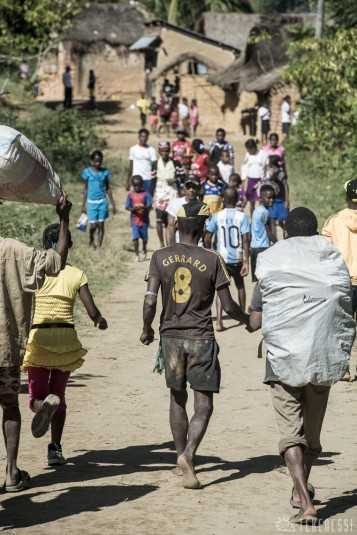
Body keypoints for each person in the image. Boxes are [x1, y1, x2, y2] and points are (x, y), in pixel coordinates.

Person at [249, 207, 355, 526]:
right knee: (312, 436)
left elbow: (254, 321)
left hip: (284, 358)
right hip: (323, 356)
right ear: (314, 233)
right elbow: (344, 303)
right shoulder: (332, 262)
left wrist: (250, 319)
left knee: (290, 434)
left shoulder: (275, 261)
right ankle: (300, 491)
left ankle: (305, 502)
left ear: (285, 231)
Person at [140, 200, 250, 489]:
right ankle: (189, 454)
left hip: (171, 338)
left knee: (177, 397)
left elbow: (150, 298)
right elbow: (227, 306)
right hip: (201, 338)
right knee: (204, 404)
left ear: (176, 225)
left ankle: (180, 458)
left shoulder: (160, 256)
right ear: (203, 228)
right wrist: (248, 320)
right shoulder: (212, 259)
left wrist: (146, 328)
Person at [0, 192, 72, 492]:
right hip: (6, 351)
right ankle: (11, 473)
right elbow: (56, 261)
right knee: (9, 406)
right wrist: (64, 217)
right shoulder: (13, 250)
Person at [23, 225, 108, 465]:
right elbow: (92, 312)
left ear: (43, 245)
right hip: (66, 338)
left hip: (39, 338)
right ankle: (55, 449)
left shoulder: (36, 273)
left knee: (35, 397)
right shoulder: (77, 274)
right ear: (67, 246)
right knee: (58, 395)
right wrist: (100, 321)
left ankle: (42, 406)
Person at [322, 179, 357, 380]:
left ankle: (343, 369)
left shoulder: (334, 221)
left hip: (343, 283)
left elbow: (326, 253)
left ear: (346, 197)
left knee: (342, 327)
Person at [205, 187, 250, 331]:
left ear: (223, 199)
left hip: (221, 258)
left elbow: (207, 236)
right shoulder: (242, 217)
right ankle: (242, 317)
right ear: (237, 200)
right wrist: (246, 261)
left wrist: (210, 253)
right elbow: (246, 240)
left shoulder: (217, 216)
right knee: (240, 286)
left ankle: (218, 321)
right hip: (237, 258)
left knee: (221, 288)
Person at [81, 150, 117, 248]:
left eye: (100, 161)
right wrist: (83, 205)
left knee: (101, 224)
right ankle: (91, 238)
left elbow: (108, 188)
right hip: (91, 202)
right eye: (96, 161)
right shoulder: (87, 172)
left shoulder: (105, 172)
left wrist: (113, 205)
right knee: (93, 226)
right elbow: (85, 189)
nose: (98, 163)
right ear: (92, 161)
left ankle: (99, 246)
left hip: (102, 202)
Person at [152, 141, 183, 248]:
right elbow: (153, 181)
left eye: (166, 151)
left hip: (172, 194)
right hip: (159, 194)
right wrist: (151, 196)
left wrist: (176, 180)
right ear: (159, 152)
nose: (165, 153)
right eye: (162, 151)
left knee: (172, 221)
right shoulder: (155, 164)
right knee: (159, 220)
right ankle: (162, 245)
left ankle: (171, 244)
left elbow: (183, 176)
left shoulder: (175, 163)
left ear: (169, 151)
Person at [250, 184, 276, 282]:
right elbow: (269, 232)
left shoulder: (257, 210)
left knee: (257, 280)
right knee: (265, 279)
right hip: (263, 248)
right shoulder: (265, 212)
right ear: (261, 197)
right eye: (268, 197)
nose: (271, 200)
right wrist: (278, 244)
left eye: (273, 197)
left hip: (254, 248)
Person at [166, 176, 201, 245]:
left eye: (194, 187)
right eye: (188, 187)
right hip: (179, 247)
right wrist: (169, 249)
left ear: (199, 188)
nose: (191, 190)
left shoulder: (203, 207)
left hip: (198, 248)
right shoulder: (175, 203)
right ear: (184, 188)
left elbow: (206, 232)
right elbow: (170, 228)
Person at [125, 175, 153, 262]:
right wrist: (133, 209)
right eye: (135, 186)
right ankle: (136, 254)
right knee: (135, 237)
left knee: (144, 238)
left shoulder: (146, 194)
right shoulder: (130, 195)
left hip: (144, 220)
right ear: (133, 185)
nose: (137, 187)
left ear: (142, 185)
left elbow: (150, 206)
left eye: (139, 185)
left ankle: (144, 249)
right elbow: (127, 207)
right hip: (134, 220)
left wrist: (144, 207)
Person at [241, 138, 268, 217]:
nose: (248, 151)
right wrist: (244, 180)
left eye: (249, 149)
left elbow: (266, 167)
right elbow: (244, 167)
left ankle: (261, 218)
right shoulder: (248, 155)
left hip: (260, 181)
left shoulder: (263, 154)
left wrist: (265, 180)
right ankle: (252, 219)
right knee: (251, 202)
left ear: (253, 148)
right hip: (250, 181)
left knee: (261, 201)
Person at [126, 129, 157, 195]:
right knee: (136, 200)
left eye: (145, 136)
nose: (143, 138)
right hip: (136, 179)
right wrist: (127, 181)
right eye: (142, 136)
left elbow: (154, 166)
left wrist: (154, 181)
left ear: (148, 138)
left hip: (148, 178)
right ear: (139, 137)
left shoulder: (151, 150)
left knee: (148, 199)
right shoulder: (133, 149)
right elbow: (131, 165)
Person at [267, 155, 289, 238]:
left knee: (283, 222)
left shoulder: (281, 174)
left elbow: (286, 186)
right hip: (274, 201)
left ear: (272, 165)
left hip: (281, 201)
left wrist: (287, 200)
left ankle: (287, 237)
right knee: (272, 220)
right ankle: (275, 241)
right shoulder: (273, 174)